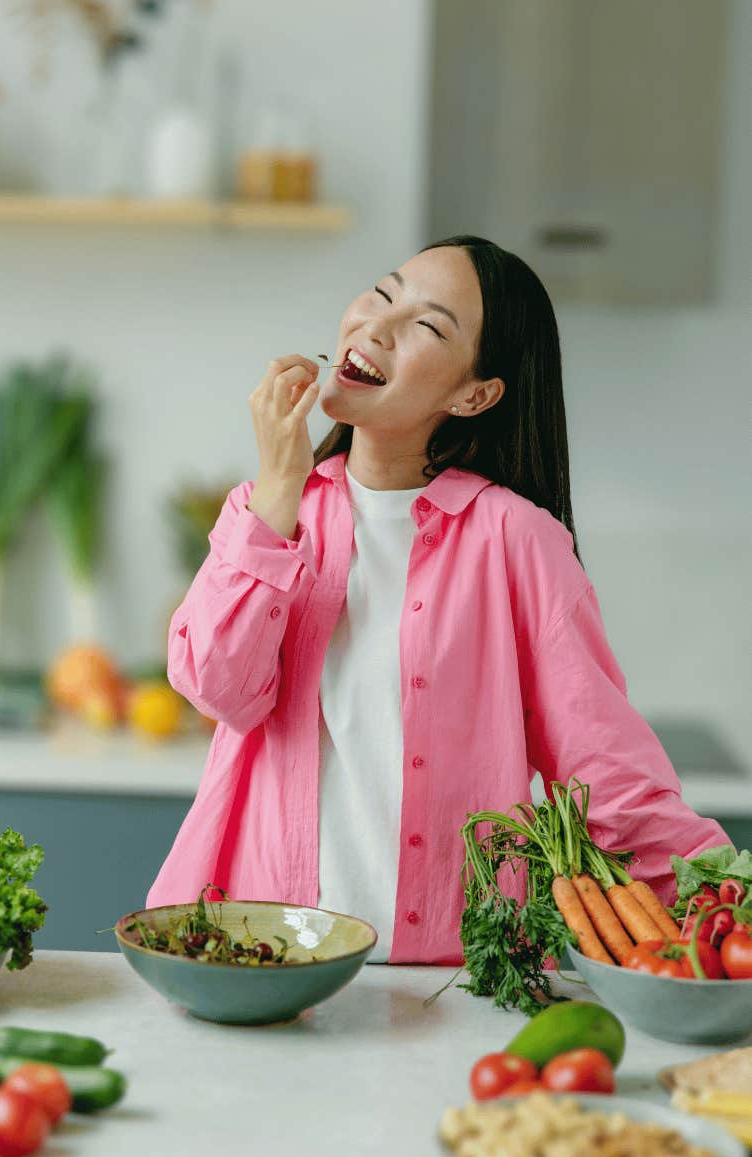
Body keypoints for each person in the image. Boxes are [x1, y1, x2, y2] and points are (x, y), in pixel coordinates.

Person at [147, 235, 729, 965]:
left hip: (449, 979)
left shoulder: (517, 541)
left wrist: (724, 900)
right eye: (384, 294)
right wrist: (275, 488)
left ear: (474, 395)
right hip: (264, 967)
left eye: (426, 325)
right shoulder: (272, 514)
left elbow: (607, 779)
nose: (378, 325)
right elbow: (216, 688)